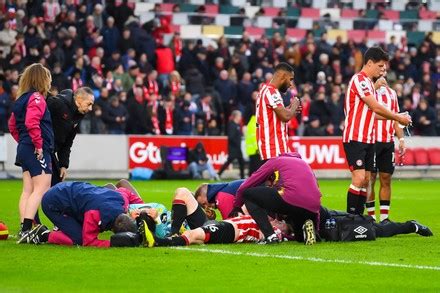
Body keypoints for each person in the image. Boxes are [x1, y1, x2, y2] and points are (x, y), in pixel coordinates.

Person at [342, 47, 411, 215]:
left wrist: (396, 117)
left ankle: (360, 219)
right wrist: (397, 117)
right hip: (355, 137)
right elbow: (375, 107)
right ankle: (351, 218)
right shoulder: (360, 80)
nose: (383, 70)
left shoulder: (369, 84)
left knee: (366, 180)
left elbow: (372, 114)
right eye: (380, 66)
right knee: (359, 179)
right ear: (370, 63)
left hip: (369, 139)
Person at [231, 153, 321, 245]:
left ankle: (270, 236)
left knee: (248, 194)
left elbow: (247, 185)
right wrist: (316, 227)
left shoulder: (276, 161)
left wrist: (237, 206)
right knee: (299, 237)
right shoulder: (305, 164)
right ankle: (310, 233)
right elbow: (317, 191)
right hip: (313, 205)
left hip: (291, 197)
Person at [18, 181, 144, 247]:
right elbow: (88, 242)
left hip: (68, 191)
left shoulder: (123, 201)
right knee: (78, 239)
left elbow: (124, 190)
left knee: (78, 228)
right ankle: (43, 235)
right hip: (52, 203)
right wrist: (114, 243)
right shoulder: (94, 215)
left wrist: (143, 207)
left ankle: (64, 227)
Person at [8, 63, 54, 239]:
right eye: (48, 78)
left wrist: (24, 143)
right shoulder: (36, 98)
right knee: (42, 188)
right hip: (35, 148)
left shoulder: (21, 99)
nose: (50, 82)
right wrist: (38, 145)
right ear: (42, 79)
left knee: (28, 190)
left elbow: (13, 125)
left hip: (25, 148)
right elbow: (31, 122)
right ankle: (27, 230)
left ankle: (23, 228)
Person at [366, 69, 405, 222]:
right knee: (370, 178)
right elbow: (364, 113)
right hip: (371, 140)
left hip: (387, 141)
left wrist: (401, 140)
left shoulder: (392, 94)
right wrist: (375, 86)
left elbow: (396, 118)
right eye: (380, 73)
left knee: (386, 178)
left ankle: (384, 218)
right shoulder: (368, 91)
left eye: (384, 73)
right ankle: (370, 217)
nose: (382, 76)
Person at [47, 87, 94, 186]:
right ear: (79, 99)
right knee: (46, 186)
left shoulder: (78, 115)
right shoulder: (57, 103)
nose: (91, 109)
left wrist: (63, 165)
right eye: (89, 104)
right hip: (40, 149)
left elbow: (67, 142)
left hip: (49, 151)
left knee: (54, 185)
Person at [147, 214, 287, 248]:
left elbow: (273, 236)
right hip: (227, 228)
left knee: (192, 234)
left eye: (280, 222)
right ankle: (159, 241)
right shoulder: (262, 221)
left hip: (230, 230)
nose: (276, 221)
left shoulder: (273, 232)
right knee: (194, 238)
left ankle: (158, 241)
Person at [256, 62, 301, 161]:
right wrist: (293, 106)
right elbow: (285, 116)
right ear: (283, 76)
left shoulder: (266, 90)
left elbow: (279, 117)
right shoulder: (271, 92)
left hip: (274, 149)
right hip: (273, 150)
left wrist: (291, 110)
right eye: (290, 79)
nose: (290, 84)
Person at [218, 110, 245, 179]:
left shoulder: (238, 125)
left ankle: (242, 177)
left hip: (238, 148)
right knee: (229, 161)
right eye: (239, 116)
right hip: (233, 148)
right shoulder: (231, 125)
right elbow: (231, 137)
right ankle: (218, 174)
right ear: (236, 116)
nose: (240, 117)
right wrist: (236, 143)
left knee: (241, 162)